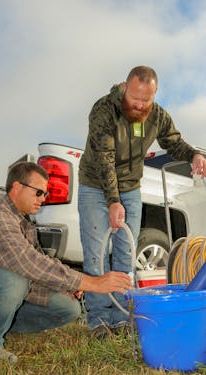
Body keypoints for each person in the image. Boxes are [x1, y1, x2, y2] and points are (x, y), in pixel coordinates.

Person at [0, 162, 132, 363]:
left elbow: (42, 263)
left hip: (3, 293)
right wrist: (93, 283)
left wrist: (66, 286)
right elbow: (28, 263)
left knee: (69, 308)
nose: (43, 199)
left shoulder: (23, 221)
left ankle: (2, 324)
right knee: (15, 278)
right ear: (17, 187)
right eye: (38, 192)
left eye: (45, 194)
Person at [78, 65, 206, 339]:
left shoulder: (157, 115)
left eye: (144, 101)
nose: (138, 106)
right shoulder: (104, 110)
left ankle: (123, 318)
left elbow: (174, 143)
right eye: (134, 99)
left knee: (126, 254)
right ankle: (99, 322)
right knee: (96, 254)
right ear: (125, 87)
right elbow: (105, 160)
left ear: (154, 94)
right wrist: (113, 201)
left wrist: (194, 155)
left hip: (131, 188)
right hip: (95, 185)